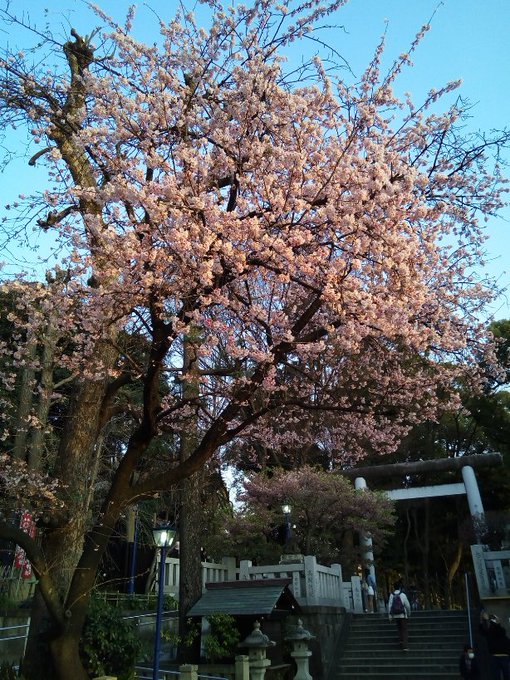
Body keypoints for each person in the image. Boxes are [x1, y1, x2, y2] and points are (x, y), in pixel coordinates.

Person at [479, 611, 510, 680]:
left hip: (498, 656)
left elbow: (483, 631)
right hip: (500, 656)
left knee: (499, 675)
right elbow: (484, 631)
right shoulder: (496, 632)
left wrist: (483, 620)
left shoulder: (495, 632)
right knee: (503, 675)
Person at [387, 581, 411, 650]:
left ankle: (400, 641)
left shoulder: (391, 595)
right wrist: (409, 614)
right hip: (403, 615)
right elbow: (407, 605)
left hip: (395, 615)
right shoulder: (403, 595)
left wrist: (390, 616)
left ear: (394, 588)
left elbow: (390, 606)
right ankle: (405, 646)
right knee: (404, 630)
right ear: (400, 588)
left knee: (399, 629)